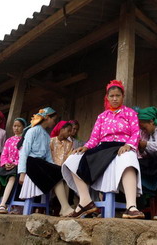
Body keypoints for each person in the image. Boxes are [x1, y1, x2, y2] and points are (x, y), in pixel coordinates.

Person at [62, 80, 144, 219]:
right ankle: (85, 201)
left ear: (122, 97)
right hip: (103, 148)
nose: (114, 98)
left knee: (128, 156)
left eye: (117, 95)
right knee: (72, 160)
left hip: (121, 146)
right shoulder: (102, 116)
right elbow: (95, 138)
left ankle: (131, 206)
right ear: (107, 97)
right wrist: (86, 146)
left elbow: (136, 133)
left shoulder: (130, 113)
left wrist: (128, 145)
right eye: (111, 96)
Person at [18, 107, 73, 216]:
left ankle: (64, 207)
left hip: (41, 163)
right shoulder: (32, 131)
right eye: (54, 119)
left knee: (59, 171)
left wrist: (55, 168)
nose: (54, 122)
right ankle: (65, 207)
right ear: (47, 117)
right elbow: (24, 151)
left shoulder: (47, 136)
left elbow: (48, 157)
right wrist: (22, 173)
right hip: (32, 162)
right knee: (56, 172)